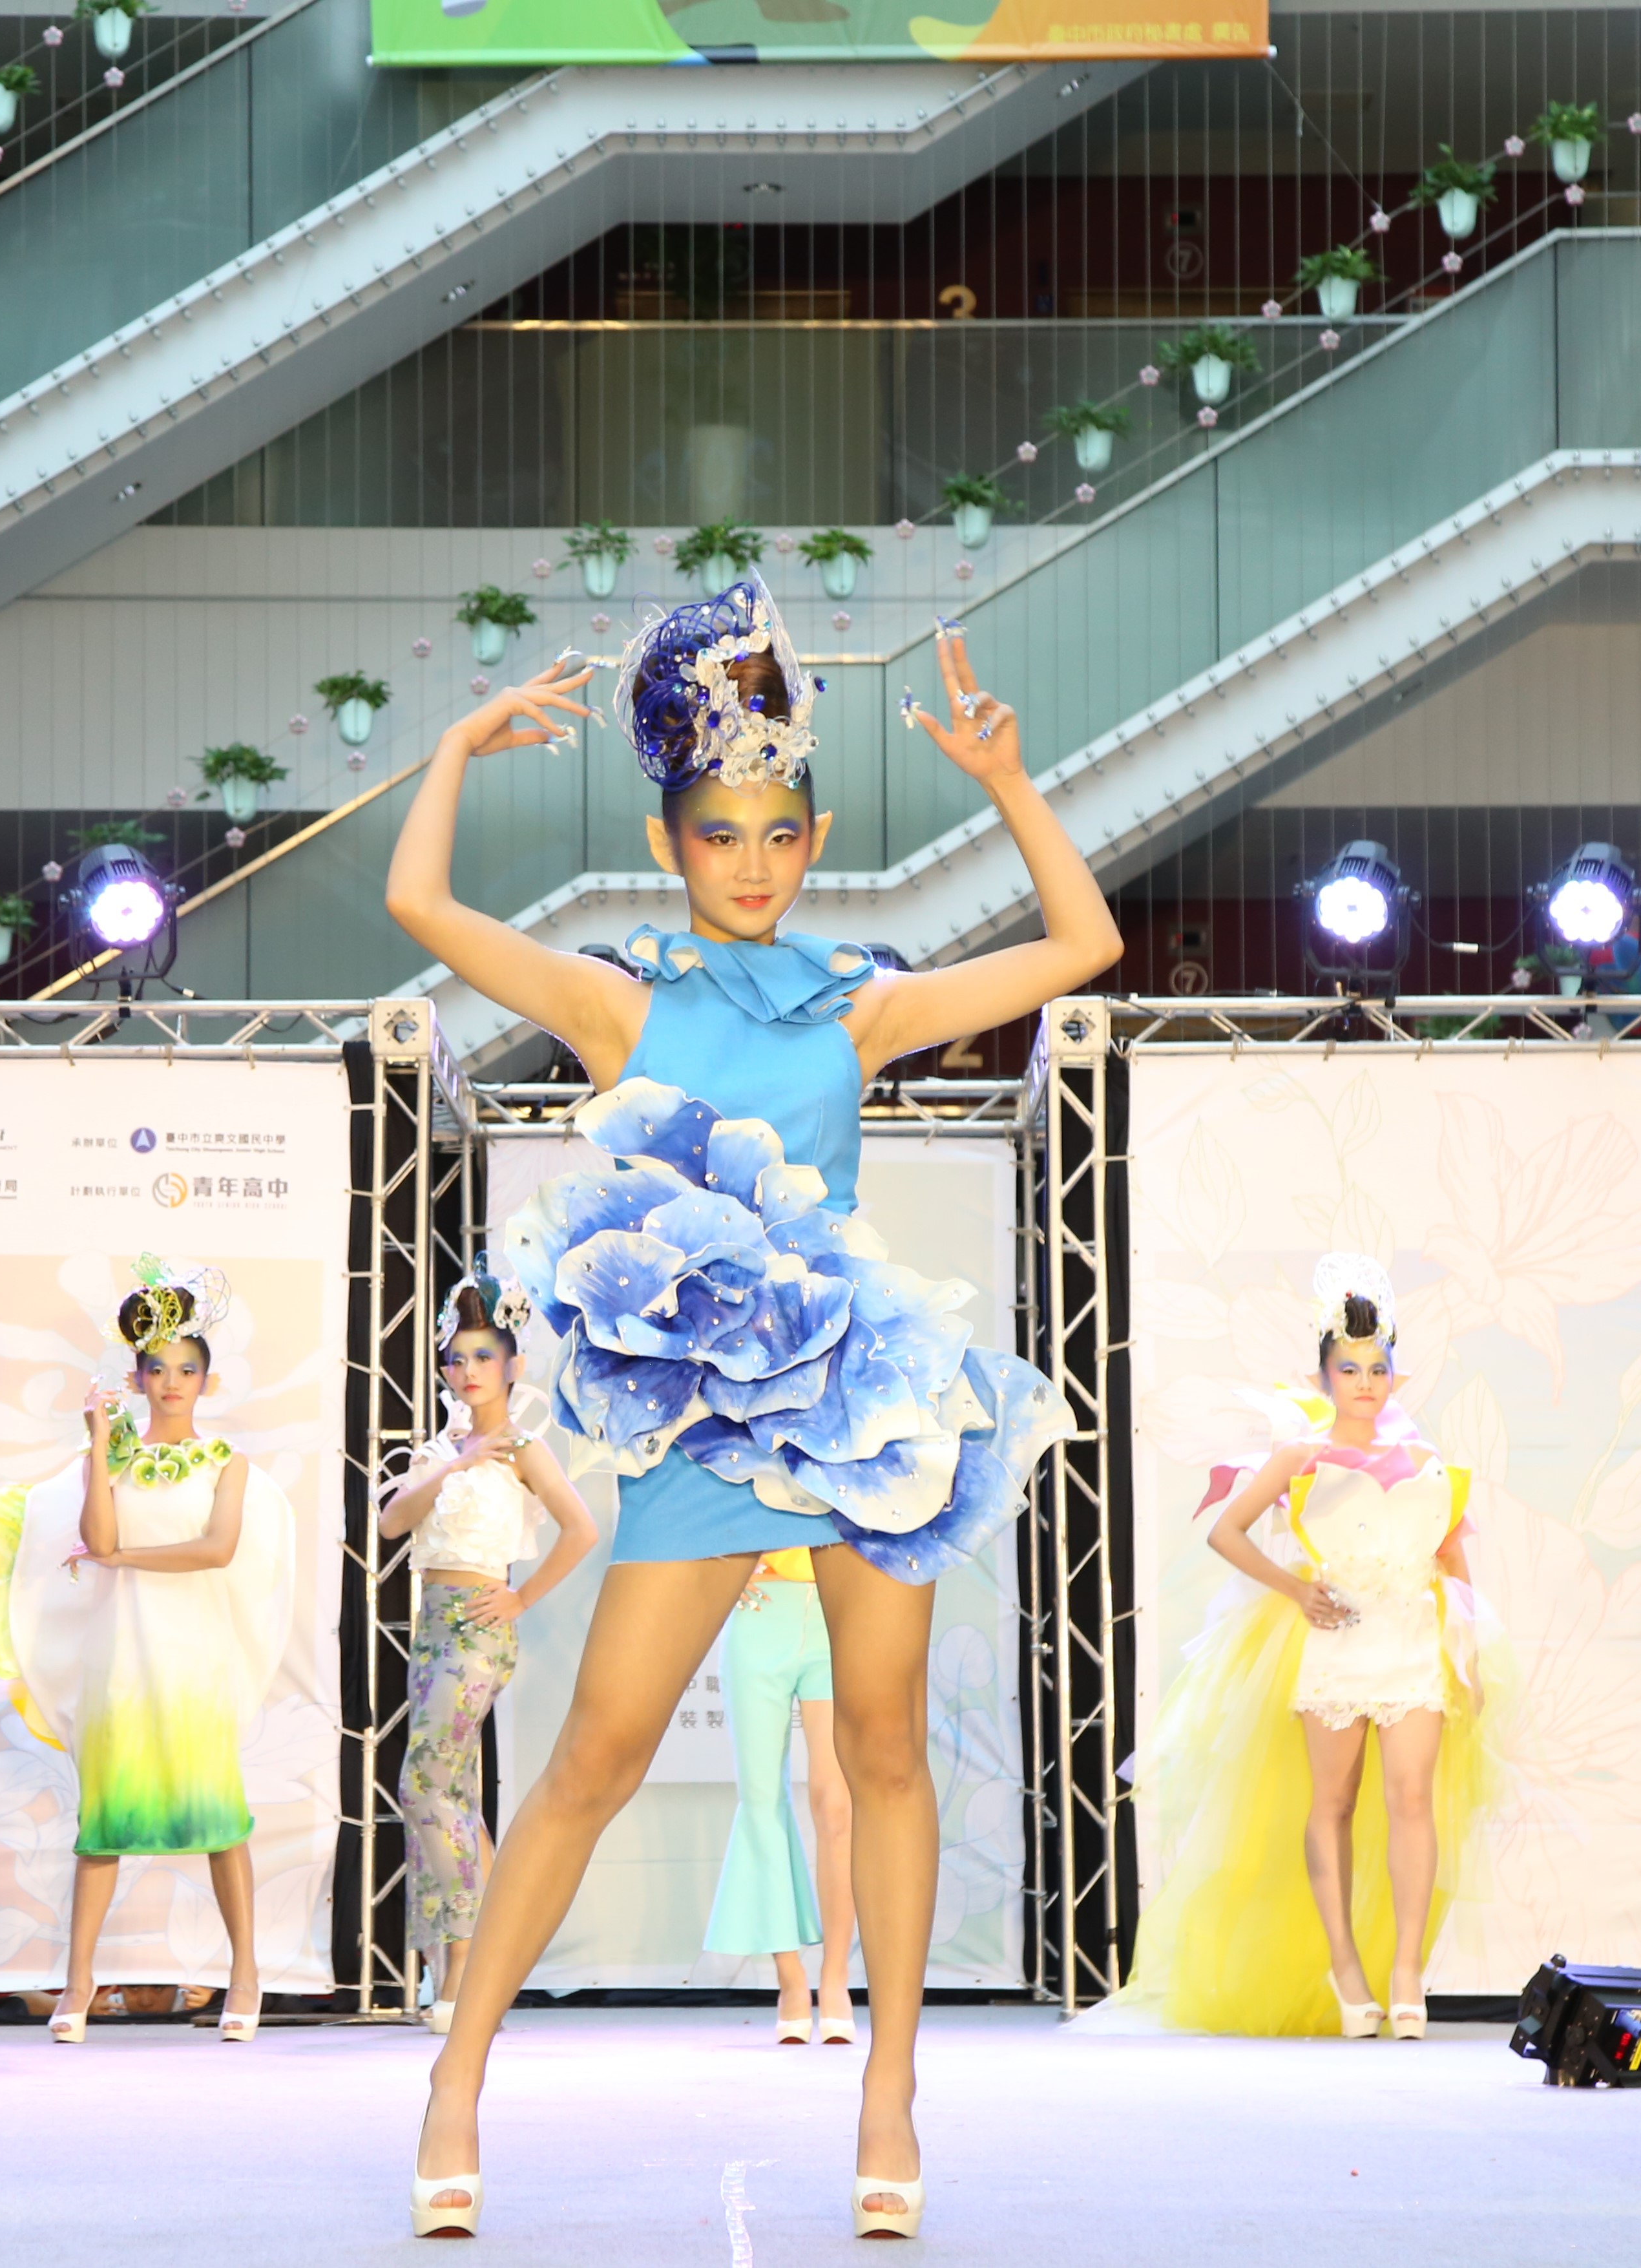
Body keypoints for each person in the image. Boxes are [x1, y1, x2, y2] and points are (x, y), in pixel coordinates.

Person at [384, 581, 1117, 2238]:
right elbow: (417, 901)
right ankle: (454, 2082)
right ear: (670, 841)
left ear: (816, 837)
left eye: (780, 833)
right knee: (593, 1755)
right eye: (719, 834)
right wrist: (454, 747)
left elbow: (1082, 948)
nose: (753, 862)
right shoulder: (621, 1003)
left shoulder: (855, 1001)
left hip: (859, 1409)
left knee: (883, 1749)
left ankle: (888, 2098)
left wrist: (1007, 782)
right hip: (704, 1420)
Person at [1120, 1255, 1502, 2037]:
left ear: (1394, 1377)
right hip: (1334, 1640)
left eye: (1377, 1369)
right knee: (1333, 1801)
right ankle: (1344, 1966)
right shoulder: (1301, 1456)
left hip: (1412, 1643)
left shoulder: (1428, 1464)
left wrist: (1466, 1656)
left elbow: (1452, 1562)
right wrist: (1294, 1591)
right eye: (1349, 1369)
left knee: (1412, 1801)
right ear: (1324, 1376)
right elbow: (1225, 1531)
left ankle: (1406, 1972)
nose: (1365, 1383)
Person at [0, 1260, 294, 2046]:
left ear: (207, 1381)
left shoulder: (228, 1464)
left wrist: (125, 1560)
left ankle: (245, 1975)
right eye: (158, 1370)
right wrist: (96, 1442)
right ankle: (78, 1982)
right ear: (137, 1377)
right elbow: (99, 1538)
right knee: (104, 1825)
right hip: (120, 1659)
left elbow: (218, 1550)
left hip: (195, 1664)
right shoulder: (114, 1458)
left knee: (219, 1819)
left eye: (187, 1370)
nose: (172, 1383)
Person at [375, 1265, 598, 2035]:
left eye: (482, 1357)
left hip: (478, 1625)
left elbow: (581, 1530)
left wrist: (520, 1599)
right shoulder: (444, 1447)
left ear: (512, 1365)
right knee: (452, 1798)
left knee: (423, 1785)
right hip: (432, 1625)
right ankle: (476, 1967)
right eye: (455, 1358)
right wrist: (454, 1463)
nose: (467, 1371)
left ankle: (469, 1966)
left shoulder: (522, 1447)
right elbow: (390, 1525)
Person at [708, 1548, 858, 2048]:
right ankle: (790, 1977)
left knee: (836, 1805)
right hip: (760, 1611)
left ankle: (836, 1978)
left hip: (837, 1611)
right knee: (761, 1800)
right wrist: (724, 1563)